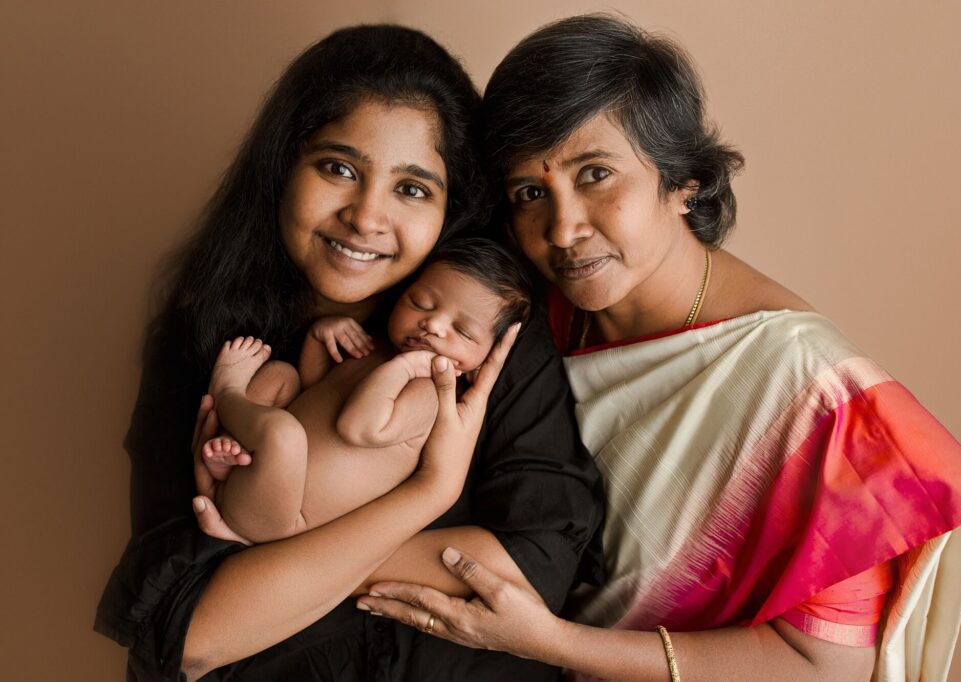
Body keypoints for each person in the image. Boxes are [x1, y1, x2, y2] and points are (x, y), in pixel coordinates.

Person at [355, 15, 961, 682]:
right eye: (531, 193)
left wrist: (553, 643)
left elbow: (825, 668)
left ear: (682, 180)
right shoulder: (513, 310)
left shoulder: (808, 390)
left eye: (596, 175)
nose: (563, 227)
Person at [94, 24, 604, 681]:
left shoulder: (483, 329)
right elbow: (193, 634)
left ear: (451, 208)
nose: (367, 217)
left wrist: (272, 565)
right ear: (284, 168)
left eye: (412, 189)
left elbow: (533, 564)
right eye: (338, 169)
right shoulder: (214, 339)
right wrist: (429, 495)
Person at [201, 239, 532, 543]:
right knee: (281, 376)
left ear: (481, 362)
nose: (432, 325)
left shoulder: (430, 395)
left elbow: (356, 427)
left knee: (282, 434)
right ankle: (229, 456)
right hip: (258, 471)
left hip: (280, 515)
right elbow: (315, 392)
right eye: (421, 303)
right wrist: (319, 337)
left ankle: (227, 391)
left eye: (462, 331)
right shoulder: (377, 347)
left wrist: (402, 369)